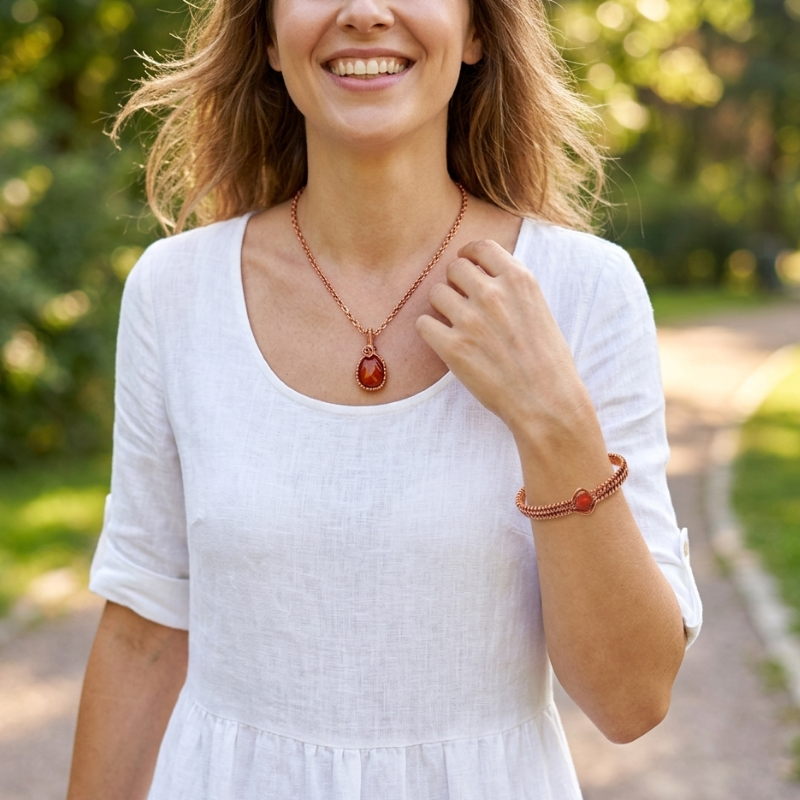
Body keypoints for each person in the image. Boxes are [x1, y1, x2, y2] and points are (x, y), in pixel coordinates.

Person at [67, 0, 703, 797]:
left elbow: (632, 698)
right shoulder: (175, 293)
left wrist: (551, 417)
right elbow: (144, 633)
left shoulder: (585, 292)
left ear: (477, 31)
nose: (366, 13)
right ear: (265, 35)